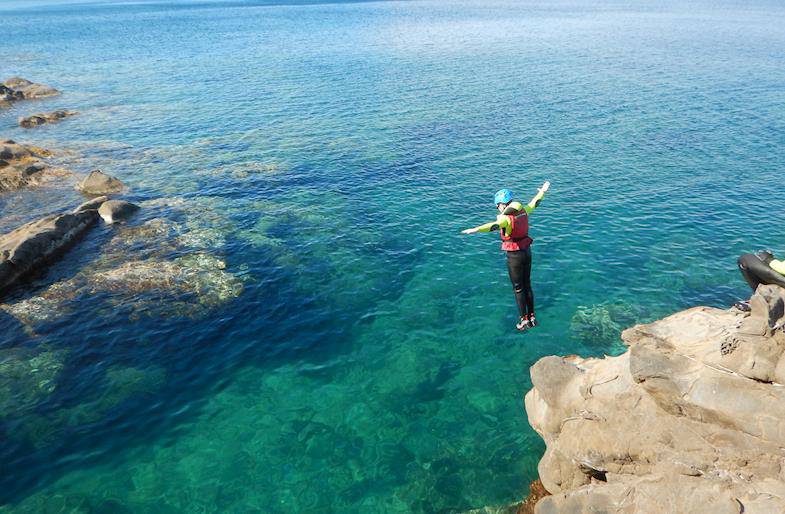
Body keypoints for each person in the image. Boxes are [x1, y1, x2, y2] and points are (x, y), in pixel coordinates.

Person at [461, 181, 550, 331]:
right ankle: (533, 317)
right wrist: (543, 191)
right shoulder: (524, 210)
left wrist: (475, 229)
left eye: (498, 206)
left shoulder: (505, 218)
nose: (498, 208)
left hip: (514, 256)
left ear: (502, 205)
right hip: (527, 252)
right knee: (527, 284)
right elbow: (535, 202)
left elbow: (492, 226)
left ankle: (524, 320)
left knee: (518, 289)